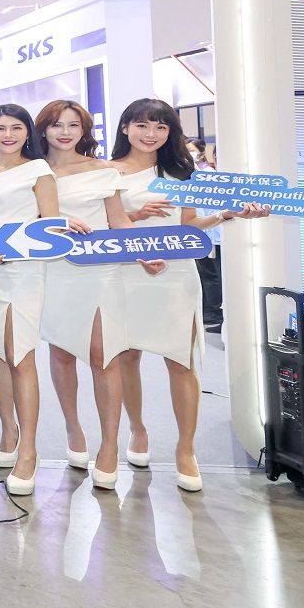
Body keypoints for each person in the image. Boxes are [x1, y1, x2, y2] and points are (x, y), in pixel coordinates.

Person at [113, 99, 267, 492]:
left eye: (160, 127)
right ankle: (138, 431)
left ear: (171, 132)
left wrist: (228, 215)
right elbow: (103, 226)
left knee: (181, 361)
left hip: (176, 273)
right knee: (126, 357)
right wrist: (136, 217)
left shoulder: (182, 173)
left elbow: (189, 225)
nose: (151, 134)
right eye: (142, 125)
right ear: (126, 127)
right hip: (126, 271)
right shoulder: (107, 172)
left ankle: (186, 448)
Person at [0, 104, 57, 496]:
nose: (8, 135)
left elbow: (50, 224)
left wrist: (16, 247)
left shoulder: (39, 170)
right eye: (0, 128)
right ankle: (8, 429)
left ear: (27, 132)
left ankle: (29, 450)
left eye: (16, 128)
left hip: (24, 270)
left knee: (21, 354)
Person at [35, 101, 130, 490]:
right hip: (54, 269)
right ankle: (73, 429)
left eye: (74, 125)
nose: (65, 132)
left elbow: (119, 220)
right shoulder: (32, 171)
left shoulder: (103, 169)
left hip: (100, 270)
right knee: (61, 352)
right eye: (57, 124)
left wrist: (144, 251)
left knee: (103, 354)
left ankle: (110, 445)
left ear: (84, 130)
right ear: (43, 129)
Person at [185, 140, 224, 333]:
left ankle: (214, 311)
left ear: (201, 153)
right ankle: (208, 309)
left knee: (212, 275)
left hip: (210, 232)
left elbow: (209, 207)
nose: (188, 153)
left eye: (191, 150)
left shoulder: (208, 175)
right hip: (199, 232)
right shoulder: (190, 174)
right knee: (205, 274)